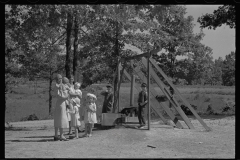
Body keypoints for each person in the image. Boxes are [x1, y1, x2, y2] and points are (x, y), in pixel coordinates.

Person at [53, 74, 69, 141]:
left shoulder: (62, 85)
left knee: (60, 118)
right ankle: (59, 135)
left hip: (62, 103)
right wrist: (67, 94)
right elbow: (61, 96)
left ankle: (58, 135)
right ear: (56, 79)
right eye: (59, 78)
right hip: (60, 103)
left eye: (61, 78)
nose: (60, 79)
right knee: (60, 118)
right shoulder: (57, 86)